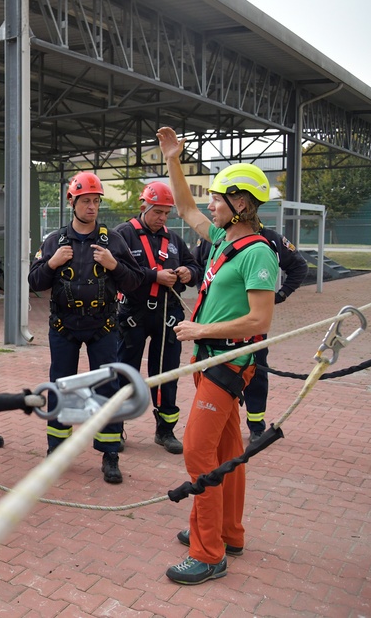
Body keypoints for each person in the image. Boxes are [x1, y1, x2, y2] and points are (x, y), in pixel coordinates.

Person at [157, 126, 278, 585]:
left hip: (227, 366)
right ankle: (229, 532)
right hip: (211, 362)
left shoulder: (258, 254)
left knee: (197, 453)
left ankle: (209, 553)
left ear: (241, 205)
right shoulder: (226, 241)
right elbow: (185, 206)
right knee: (228, 450)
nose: (210, 204)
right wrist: (173, 158)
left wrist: (201, 329)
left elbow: (259, 321)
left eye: (219, 199)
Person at [27, 172, 143, 483]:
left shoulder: (112, 241)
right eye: (86, 201)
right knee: (60, 387)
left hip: (103, 327)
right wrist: (51, 263)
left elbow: (134, 282)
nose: (92, 207)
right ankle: (57, 449)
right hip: (64, 327)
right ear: (72, 202)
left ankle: (110, 453)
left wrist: (114, 265)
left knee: (108, 388)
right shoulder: (54, 241)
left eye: (95, 201)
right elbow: (34, 281)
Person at [193, 222, 307, 443]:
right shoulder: (217, 237)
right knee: (215, 375)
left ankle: (256, 425)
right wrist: (205, 292)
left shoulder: (270, 240)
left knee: (256, 373)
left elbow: (299, 267)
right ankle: (223, 423)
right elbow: (196, 264)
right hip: (216, 327)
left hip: (251, 326)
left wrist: (280, 295)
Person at [114, 181, 201, 455]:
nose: (162, 218)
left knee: (166, 373)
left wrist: (189, 272)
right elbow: (119, 271)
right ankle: (115, 428)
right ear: (144, 207)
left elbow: (195, 264)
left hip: (167, 314)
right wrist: (154, 276)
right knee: (125, 371)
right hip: (133, 314)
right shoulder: (123, 235)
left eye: (166, 213)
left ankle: (165, 430)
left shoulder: (174, 240)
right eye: (157, 212)